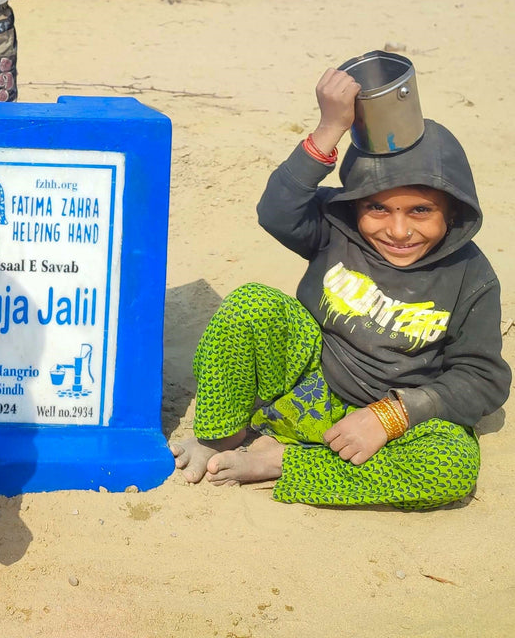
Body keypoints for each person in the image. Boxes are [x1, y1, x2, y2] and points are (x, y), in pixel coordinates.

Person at [172, 67, 510, 508]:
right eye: (378, 208)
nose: (399, 229)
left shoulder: (471, 275)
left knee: (450, 466)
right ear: (355, 205)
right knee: (251, 304)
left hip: (394, 418)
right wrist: (330, 128)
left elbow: (482, 378)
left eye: (421, 210)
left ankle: (280, 462)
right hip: (310, 380)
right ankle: (223, 438)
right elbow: (277, 211)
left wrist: (392, 416)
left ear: (454, 211)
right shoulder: (339, 226)